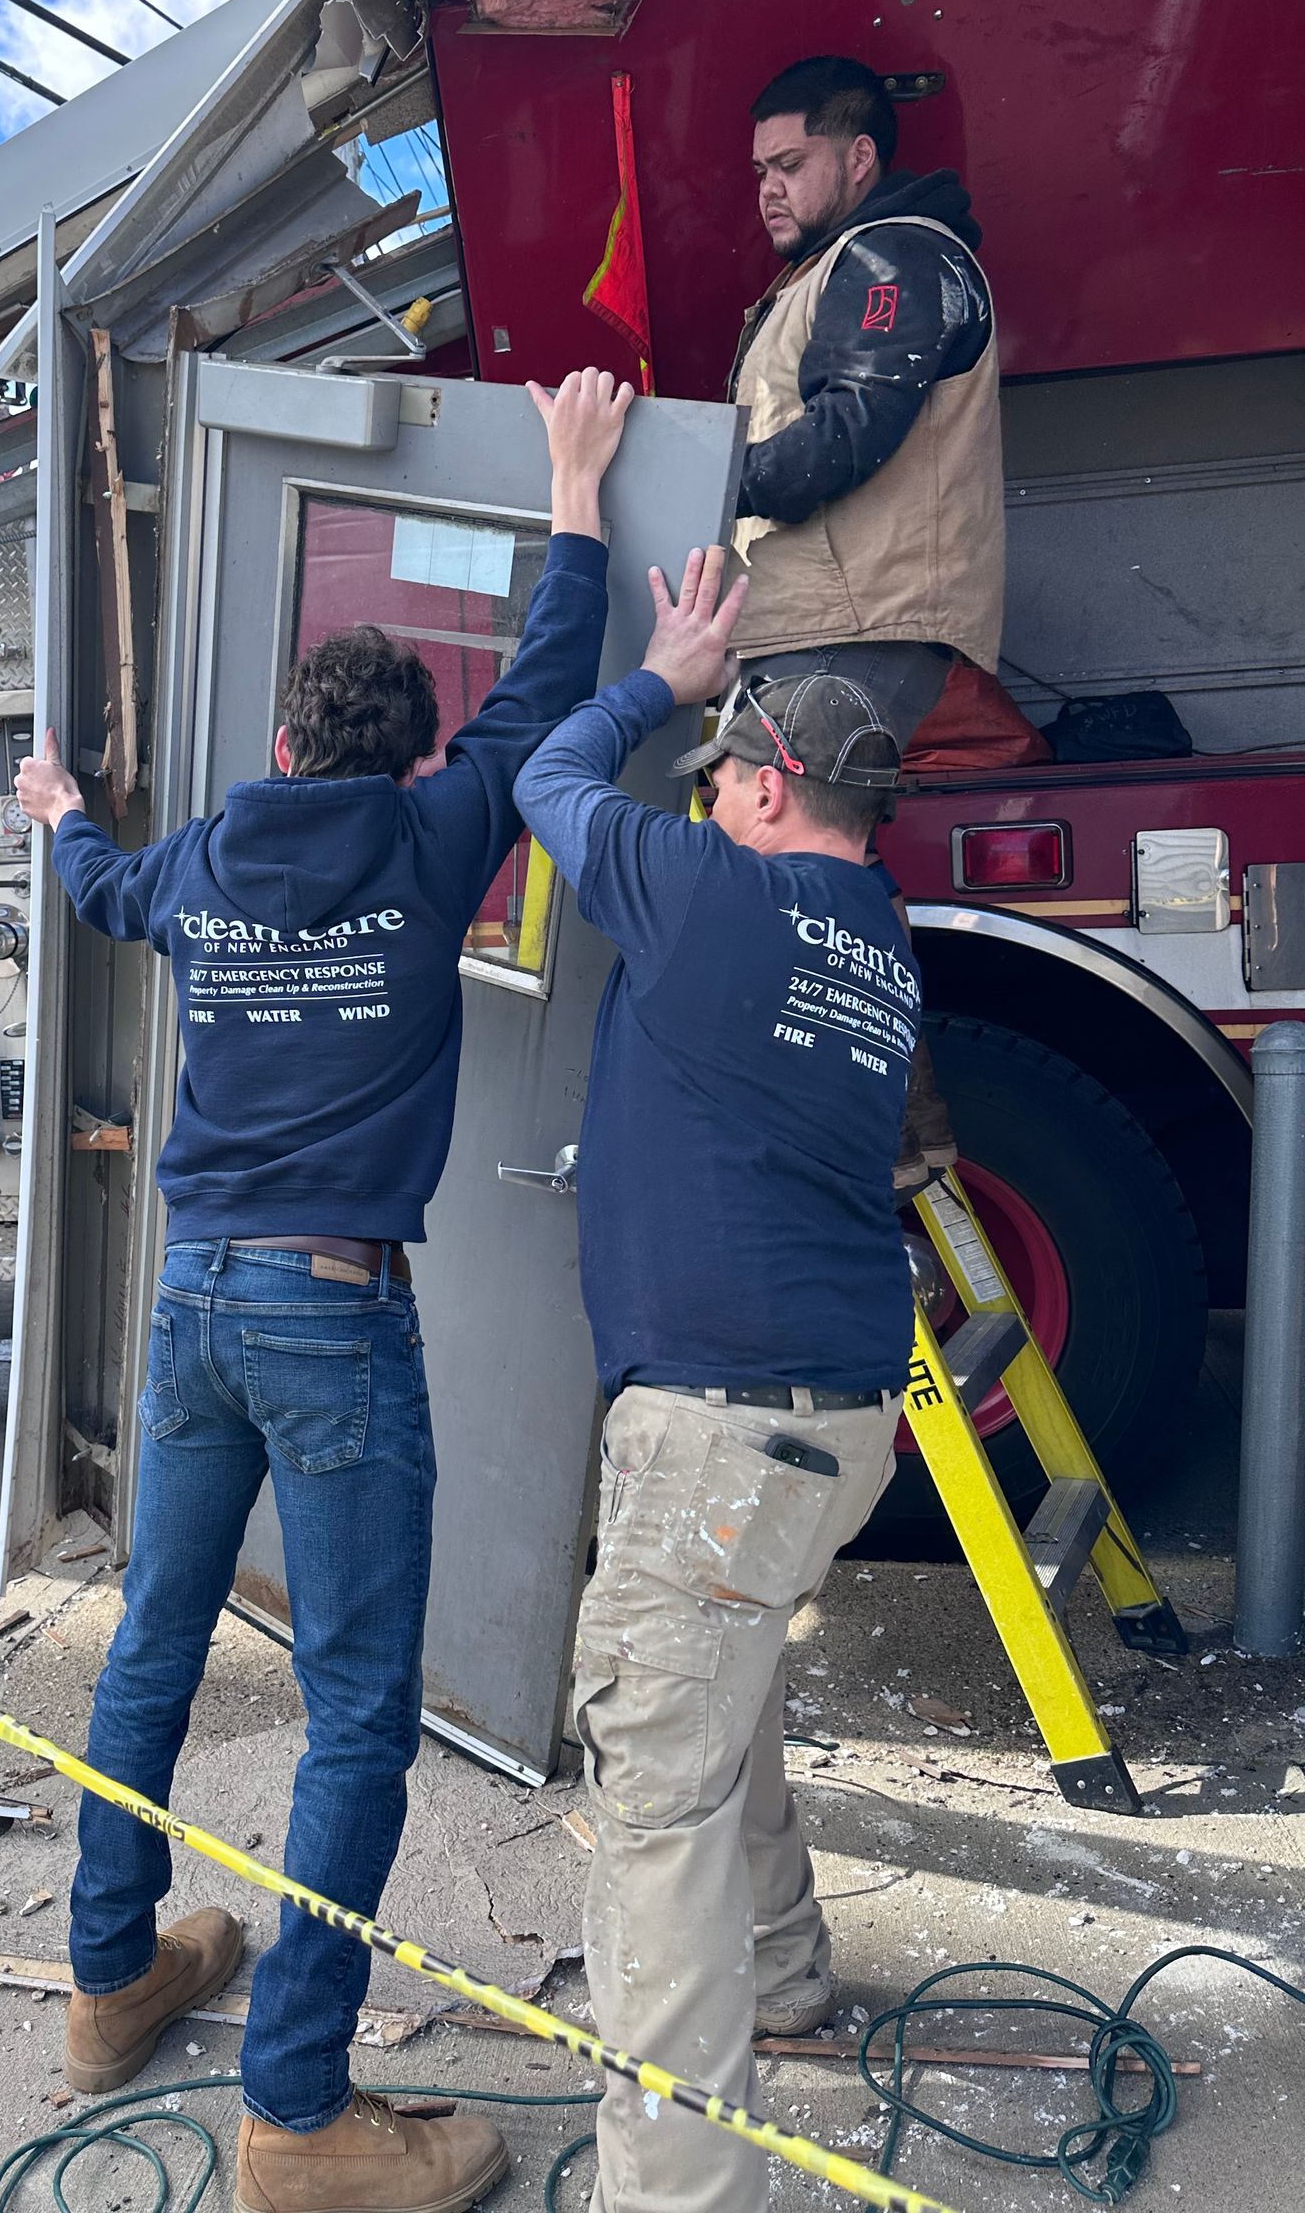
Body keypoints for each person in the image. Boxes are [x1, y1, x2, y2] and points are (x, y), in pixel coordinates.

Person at [9, 371, 629, 2213]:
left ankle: (108, 1979)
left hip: (191, 1305)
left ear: (285, 745)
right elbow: (547, 685)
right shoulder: (434, 840)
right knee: (357, 1707)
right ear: (409, 764)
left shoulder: (206, 859)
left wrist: (58, 807)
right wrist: (575, 493)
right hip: (331, 1315)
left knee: (154, 1643)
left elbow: (103, 888)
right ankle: (295, 2112)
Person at [514, 578, 919, 2213]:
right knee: (720, 1682)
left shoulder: (706, 890)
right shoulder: (879, 941)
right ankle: (790, 1972)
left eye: (719, 776)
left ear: (759, 789)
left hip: (721, 1425)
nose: (703, 801)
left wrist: (658, 678)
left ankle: (677, 2192)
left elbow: (547, 778)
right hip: (837, 1419)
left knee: (658, 1802)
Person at [728, 53, 1002, 1185]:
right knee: (819, 868)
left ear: (859, 157)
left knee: (770, 855)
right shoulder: (834, 268)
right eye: (759, 170)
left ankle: (868, 1155)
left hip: (860, 617)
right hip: (823, 619)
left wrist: (709, 480)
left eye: (790, 163)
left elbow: (850, 434)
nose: (768, 187)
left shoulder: (892, 254)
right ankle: (904, 1145)